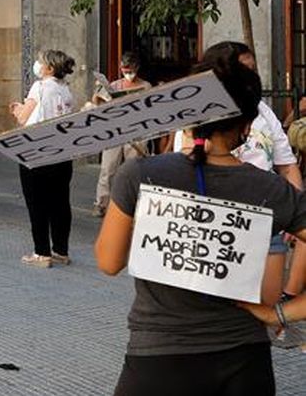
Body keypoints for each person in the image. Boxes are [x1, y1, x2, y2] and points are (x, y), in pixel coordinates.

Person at [96, 58, 306, 396]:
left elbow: (108, 262)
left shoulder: (140, 175)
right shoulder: (270, 189)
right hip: (245, 364)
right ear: (248, 124)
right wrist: (281, 313)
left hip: (158, 361)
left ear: (186, 114)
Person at [172, 42, 306, 307]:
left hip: (266, 219)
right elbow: (187, 162)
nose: (248, 78)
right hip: (215, 225)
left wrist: (293, 210)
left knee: (262, 307)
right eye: (241, 70)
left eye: (252, 70)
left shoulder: (264, 112)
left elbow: (287, 165)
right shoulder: (199, 115)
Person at [9, 50, 77, 267]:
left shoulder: (39, 87)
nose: (37, 65)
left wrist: (17, 109)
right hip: (62, 153)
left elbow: (24, 117)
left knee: (37, 203)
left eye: (40, 62)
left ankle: (41, 252)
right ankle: (60, 250)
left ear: (49, 68)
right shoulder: (66, 91)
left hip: (36, 150)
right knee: (60, 202)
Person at [93, 52, 152, 217]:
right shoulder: (115, 85)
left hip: (136, 132)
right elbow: (99, 106)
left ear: (137, 68)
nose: (127, 73)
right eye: (124, 69)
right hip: (115, 132)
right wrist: (98, 93)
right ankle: (102, 204)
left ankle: (134, 203)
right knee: (108, 168)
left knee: (134, 168)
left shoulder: (146, 86)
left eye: (130, 70)